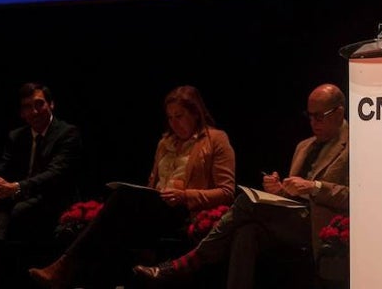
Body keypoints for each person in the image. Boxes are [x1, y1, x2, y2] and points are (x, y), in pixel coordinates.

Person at [131, 83, 349, 288]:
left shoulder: (355, 144)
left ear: (339, 112)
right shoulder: (304, 146)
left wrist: (315, 186)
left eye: (319, 117)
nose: (313, 123)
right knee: (246, 231)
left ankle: (186, 263)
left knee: (246, 201)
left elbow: (357, 196)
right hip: (291, 217)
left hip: (319, 221)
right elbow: (294, 194)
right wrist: (279, 189)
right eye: (309, 116)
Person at [28, 84, 236, 288]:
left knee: (123, 200)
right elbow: (152, 184)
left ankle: (64, 266)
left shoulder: (216, 139)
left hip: (185, 211)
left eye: (179, 116)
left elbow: (227, 192)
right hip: (158, 208)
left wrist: (185, 195)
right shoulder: (165, 143)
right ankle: (86, 276)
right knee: (119, 203)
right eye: (170, 117)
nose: (173, 123)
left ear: (196, 114)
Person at [0, 81, 83, 287]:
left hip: (54, 197)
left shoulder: (67, 133)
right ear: (22, 113)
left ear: (51, 105)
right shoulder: (16, 136)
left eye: (39, 104)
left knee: (17, 210)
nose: (34, 111)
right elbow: (2, 169)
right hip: (21, 194)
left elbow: (55, 175)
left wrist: (15, 187)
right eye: (28, 107)